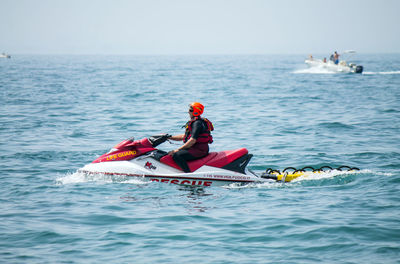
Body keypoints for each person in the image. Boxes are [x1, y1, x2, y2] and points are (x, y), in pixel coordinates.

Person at [168, 102, 214, 173]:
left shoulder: (197, 123)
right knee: (176, 153)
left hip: (199, 150)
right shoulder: (197, 121)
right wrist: (169, 137)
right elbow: (185, 136)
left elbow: (192, 140)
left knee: (177, 155)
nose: (188, 112)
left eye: (190, 110)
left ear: (195, 112)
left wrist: (177, 150)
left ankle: (188, 173)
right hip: (198, 149)